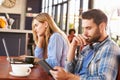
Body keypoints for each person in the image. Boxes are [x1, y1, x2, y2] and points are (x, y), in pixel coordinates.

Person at [50, 9, 120, 80]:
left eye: (88, 28)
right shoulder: (87, 48)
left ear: (102, 26)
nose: (85, 33)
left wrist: (68, 76)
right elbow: (69, 71)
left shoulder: (110, 48)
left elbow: (104, 79)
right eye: (84, 28)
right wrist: (72, 47)